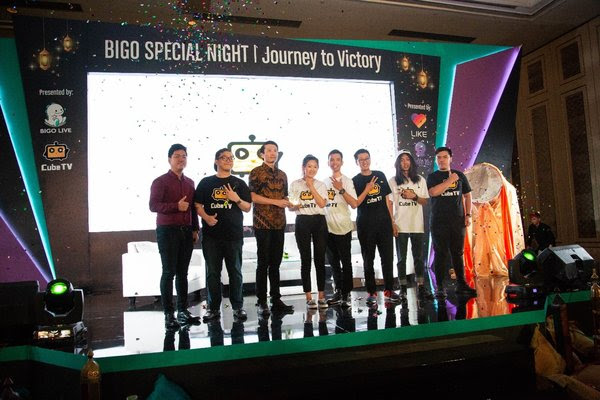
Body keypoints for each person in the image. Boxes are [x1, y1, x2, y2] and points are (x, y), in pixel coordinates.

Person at [194, 148, 252, 323]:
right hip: (211, 236)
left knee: (235, 272)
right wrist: (206, 218)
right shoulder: (206, 182)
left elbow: (247, 207)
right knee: (212, 273)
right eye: (224, 158)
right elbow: (197, 205)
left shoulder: (239, 183)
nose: (228, 160)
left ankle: (238, 307)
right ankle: (212, 309)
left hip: (234, 235)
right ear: (216, 161)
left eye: (230, 158)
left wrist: (236, 198)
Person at [149, 143, 201, 330]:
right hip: (167, 231)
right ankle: (168, 314)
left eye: (184, 156)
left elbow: (193, 209)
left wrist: (195, 229)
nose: (181, 159)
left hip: (186, 231)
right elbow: (153, 206)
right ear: (169, 159)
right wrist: (175, 206)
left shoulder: (190, 183)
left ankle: (183, 311)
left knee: (183, 273)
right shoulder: (160, 181)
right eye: (177, 156)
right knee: (168, 272)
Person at [249, 140, 294, 315]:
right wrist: (275, 202)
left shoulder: (283, 175)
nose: (272, 153)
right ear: (262, 154)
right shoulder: (256, 172)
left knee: (276, 264)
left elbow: (284, 197)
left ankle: (276, 299)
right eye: (269, 150)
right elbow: (252, 196)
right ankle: (261, 301)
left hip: (279, 223)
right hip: (262, 223)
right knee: (263, 263)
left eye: (275, 150)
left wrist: (290, 203)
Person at [426, 146, 477, 299]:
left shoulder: (459, 175)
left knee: (458, 253)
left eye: (445, 157)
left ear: (450, 159)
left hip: (457, 221)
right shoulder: (432, 177)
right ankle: (440, 287)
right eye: (439, 158)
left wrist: (468, 215)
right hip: (439, 222)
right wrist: (450, 180)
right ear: (436, 160)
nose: (442, 160)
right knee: (440, 253)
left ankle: (461, 284)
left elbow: (468, 195)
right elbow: (433, 192)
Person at [352, 149, 401, 306]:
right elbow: (355, 203)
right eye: (361, 160)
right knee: (368, 260)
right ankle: (371, 292)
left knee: (387, 258)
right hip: (365, 225)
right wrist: (367, 189)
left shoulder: (380, 175)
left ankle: (389, 290)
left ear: (370, 159)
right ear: (356, 162)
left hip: (384, 224)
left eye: (366, 158)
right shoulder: (355, 180)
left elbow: (387, 200)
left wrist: (392, 221)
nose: (364, 162)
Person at [388, 150, 433, 300]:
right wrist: (392, 223)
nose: (405, 162)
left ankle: (421, 286)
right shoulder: (393, 181)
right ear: (398, 163)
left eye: (407, 159)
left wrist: (413, 196)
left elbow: (424, 201)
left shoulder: (420, 180)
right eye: (402, 160)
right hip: (400, 224)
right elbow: (389, 203)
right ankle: (402, 288)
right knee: (401, 259)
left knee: (418, 257)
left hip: (416, 224)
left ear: (412, 162)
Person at [289, 154, 329, 309]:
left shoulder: (321, 184)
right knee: (305, 259)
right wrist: (294, 205)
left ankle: (321, 295)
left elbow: (322, 203)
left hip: (319, 221)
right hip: (302, 221)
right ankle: (308, 296)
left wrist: (311, 186)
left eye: (315, 167)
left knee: (320, 258)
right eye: (309, 166)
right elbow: (291, 206)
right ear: (303, 167)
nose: (312, 169)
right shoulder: (295, 184)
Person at [324, 149, 357, 307]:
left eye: (338, 159)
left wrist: (341, 189)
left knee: (346, 261)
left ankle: (347, 293)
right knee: (334, 262)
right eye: (332, 159)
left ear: (342, 162)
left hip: (343, 227)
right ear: (328, 162)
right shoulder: (323, 182)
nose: (335, 162)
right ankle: (338, 291)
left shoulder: (348, 181)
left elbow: (354, 204)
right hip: (328, 228)